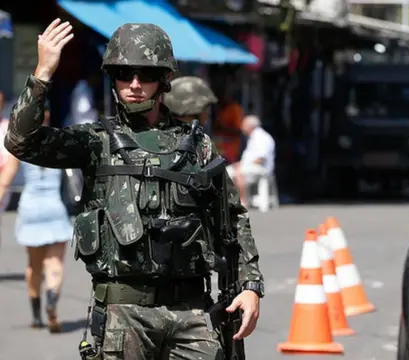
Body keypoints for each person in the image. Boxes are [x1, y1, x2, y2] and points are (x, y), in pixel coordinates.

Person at [6, 19, 264, 359]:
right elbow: (21, 142)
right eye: (125, 74)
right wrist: (42, 74)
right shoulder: (95, 141)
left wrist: (250, 287)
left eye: (147, 74)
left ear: (165, 80)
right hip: (123, 316)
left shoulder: (196, 144)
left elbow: (232, 218)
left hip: (191, 314)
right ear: (113, 78)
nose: (135, 84)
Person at [0, 101, 72, 333]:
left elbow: (6, 179)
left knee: (34, 266)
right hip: (55, 208)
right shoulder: (60, 142)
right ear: (48, 116)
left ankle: (36, 315)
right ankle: (52, 299)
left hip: (30, 208)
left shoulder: (21, 146)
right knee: (55, 264)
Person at [226, 115, 275, 206]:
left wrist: (242, 166)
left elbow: (260, 159)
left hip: (261, 168)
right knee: (228, 170)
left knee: (237, 172)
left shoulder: (261, 137)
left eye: (243, 124)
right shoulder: (252, 137)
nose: (241, 127)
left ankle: (242, 201)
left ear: (250, 126)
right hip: (251, 166)